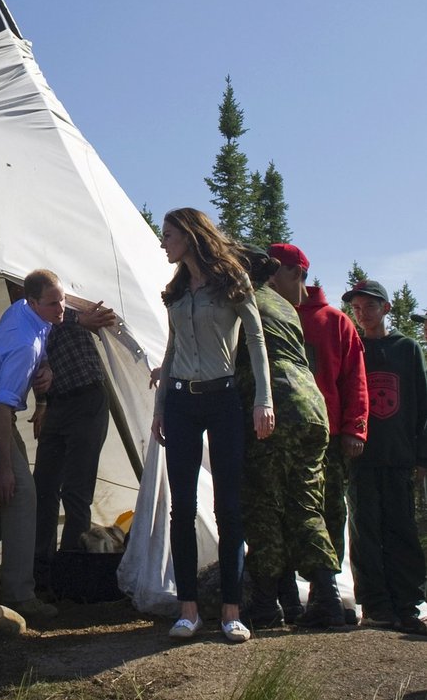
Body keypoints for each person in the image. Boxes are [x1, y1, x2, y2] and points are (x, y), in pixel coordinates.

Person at [151, 208, 274, 643]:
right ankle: (187, 610)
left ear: (189, 235)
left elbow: (256, 339)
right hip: (182, 401)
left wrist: (263, 399)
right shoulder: (176, 291)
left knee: (229, 505)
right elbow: (171, 349)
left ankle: (230, 610)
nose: (163, 242)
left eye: (168, 235)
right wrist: (159, 407)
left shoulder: (231, 282)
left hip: (223, 398)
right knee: (181, 507)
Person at [235, 247, 344, 629]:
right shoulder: (283, 307)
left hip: (274, 407)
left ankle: (265, 604)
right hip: (312, 409)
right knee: (305, 505)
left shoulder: (240, 300)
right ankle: (326, 597)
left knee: (264, 504)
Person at [268, 242, 368, 625]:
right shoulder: (268, 315)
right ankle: (287, 597)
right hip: (275, 433)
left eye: (276, 271)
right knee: (278, 511)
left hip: (325, 436)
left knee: (327, 511)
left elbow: (355, 380)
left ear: (296, 273)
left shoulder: (334, 321)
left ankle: (323, 597)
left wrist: (354, 429)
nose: (270, 279)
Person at [0, 269, 65, 620]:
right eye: (54, 303)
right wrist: (2, 468)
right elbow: (1, 405)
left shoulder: (27, 313)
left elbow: (45, 332)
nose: (62, 308)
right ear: (32, 302)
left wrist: (46, 367)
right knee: (19, 492)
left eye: (62, 299)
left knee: (20, 494)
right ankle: (18, 594)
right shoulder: (22, 344)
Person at [342, 280, 427, 635]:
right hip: (360, 456)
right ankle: (375, 606)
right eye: (357, 308)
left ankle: (407, 605)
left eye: (370, 307)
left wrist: (421, 457)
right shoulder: (353, 347)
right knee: (365, 530)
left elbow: (421, 406)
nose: (363, 314)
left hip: (399, 455)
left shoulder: (406, 349)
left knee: (401, 529)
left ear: (386, 309)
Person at [32, 300, 118, 594]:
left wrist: (77, 319)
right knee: (42, 488)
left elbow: (62, 311)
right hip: (57, 404)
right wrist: (42, 403)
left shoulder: (64, 298)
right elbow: (36, 347)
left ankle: (72, 573)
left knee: (76, 491)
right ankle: (42, 572)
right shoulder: (26, 308)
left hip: (86, 398)